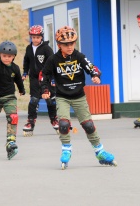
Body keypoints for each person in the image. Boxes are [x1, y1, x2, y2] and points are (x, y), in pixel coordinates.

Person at [41, 25, 117, 169]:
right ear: (59, 45)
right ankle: (66, 150)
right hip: (62, 96)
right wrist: (45, 89)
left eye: (72, 43)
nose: (69, 47)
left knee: (88, 125)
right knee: (63, 124)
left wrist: (95, 75)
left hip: (79, 96)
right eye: (65, 44)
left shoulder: (79, 56)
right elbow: (44, 75)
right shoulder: (53, 59)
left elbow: (91, 67)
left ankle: (99, 151)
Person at [22, 25, 58, 136]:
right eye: (33, 37)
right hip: (34, 78)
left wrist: (53, 78)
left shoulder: (46, 49)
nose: (35, 39)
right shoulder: (29, 48)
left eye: (37, 37)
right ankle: (30, 122)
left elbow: (53, 62)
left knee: (51, 100)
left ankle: (54, 120)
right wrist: (25, 72)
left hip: (46, 78)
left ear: (41, 37)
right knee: (33, 100)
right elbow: (26, 61)